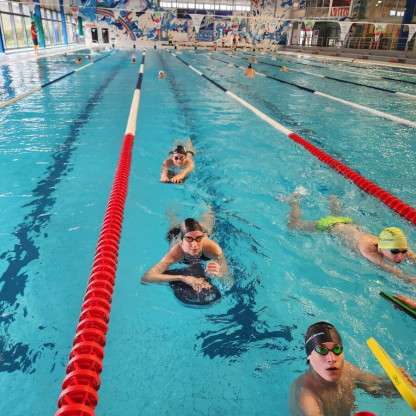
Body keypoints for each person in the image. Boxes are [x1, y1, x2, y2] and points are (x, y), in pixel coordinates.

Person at [279, 192, 416, 285]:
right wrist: (410, 279)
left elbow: (411, 255)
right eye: (394, 252)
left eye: (403, 251)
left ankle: (333, 202)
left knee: (340, 217)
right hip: (331, 226)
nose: (400, 257)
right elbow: (391, 270)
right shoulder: (368, 251)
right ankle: (293, 202)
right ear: (380, 248)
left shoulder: (392, 244)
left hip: (349, 224)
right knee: (293, 226)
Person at [288, 321, 415, 416]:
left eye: (337, 349)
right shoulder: (305, 394)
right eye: (322, 350)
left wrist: (398, 387)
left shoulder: (348, 370)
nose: (332, 358)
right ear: (309, 356)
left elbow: (377, 389)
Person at [141, 211, 232, 297]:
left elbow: (228, 279)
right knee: (173, 220)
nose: (194, 245)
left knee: (208, 216)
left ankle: (206, 204)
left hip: (202, 230)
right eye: (189, 239)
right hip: (175, 233)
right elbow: (147, 277)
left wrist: (219, 274)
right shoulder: (175, 253)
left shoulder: (213, 249)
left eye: (198, 239)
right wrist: (182, 278)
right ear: (182, 240)